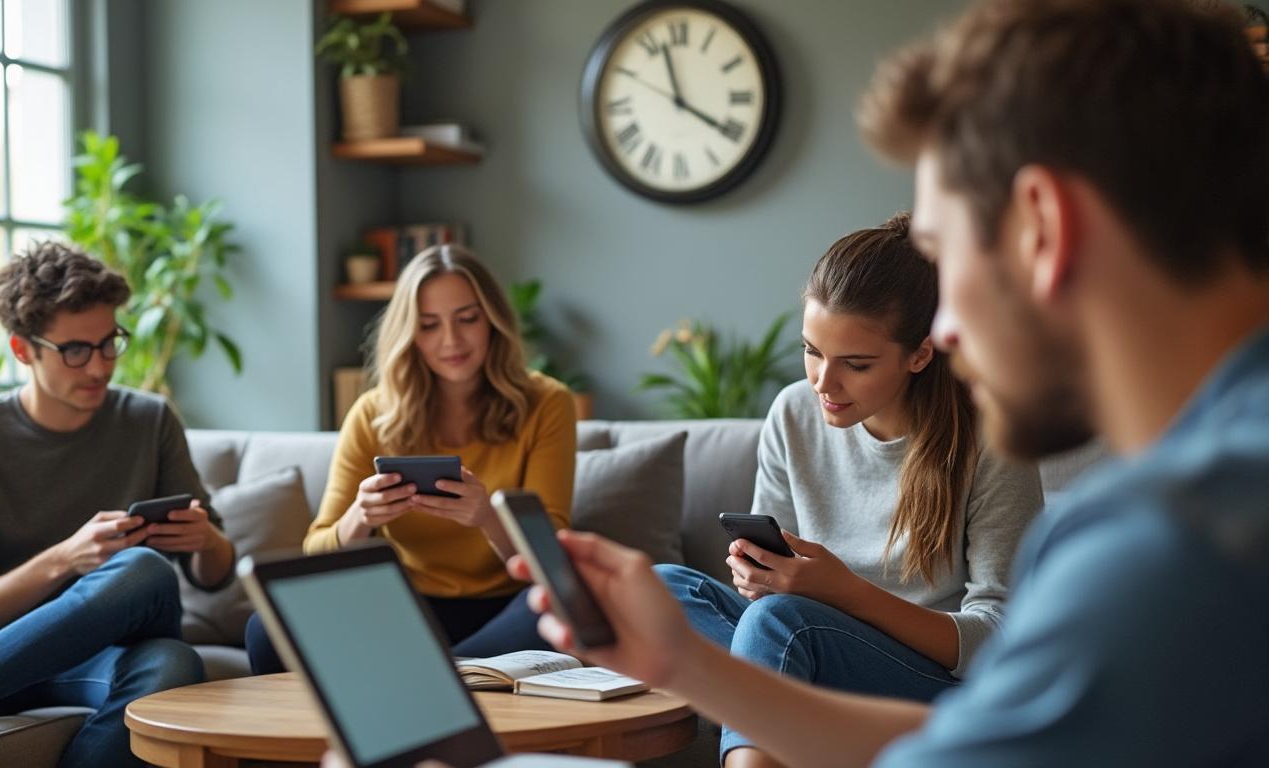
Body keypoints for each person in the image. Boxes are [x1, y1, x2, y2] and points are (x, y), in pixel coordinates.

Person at [511, 0, 1269, 765]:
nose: (944, 333)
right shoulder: (1206, 491)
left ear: (1043, 226)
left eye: (948, 253)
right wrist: (685, 664)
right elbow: (981, 744)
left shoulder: (1174, 542)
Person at [655, 213, 1041, 766]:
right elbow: (772, 584)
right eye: (812, 351)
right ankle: (798, 698)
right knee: (666, 588)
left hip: (934, 684)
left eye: (855, 364)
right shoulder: (793, 412)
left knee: (779, 625)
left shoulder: (990, 438)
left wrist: (845, 593)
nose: (823, 383)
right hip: (806, 642)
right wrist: (757, 574)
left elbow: (999, 641)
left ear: (920, 354)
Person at [0, 243, 236, 768]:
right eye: (75, 350)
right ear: (24, 350)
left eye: (109, 343)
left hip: (105, 652)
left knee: (145, 580)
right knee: (170, 650)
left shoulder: (150, 420)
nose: (99, 366)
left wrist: (206, 541)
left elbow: (215, 575)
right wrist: (65, 559)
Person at [245, 244, 576, 674]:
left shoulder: (547, 402)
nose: (451, 340)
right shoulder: (373, 413)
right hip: (407, 610)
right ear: (409, 332)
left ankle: (434, 676)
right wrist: (360, 517)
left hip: (510, 607)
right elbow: (317, 548)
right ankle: (454, 674)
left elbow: (553, 559)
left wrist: (487, 517)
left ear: (493, 319)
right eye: (429, 325)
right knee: (268, 628)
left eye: (467, 318)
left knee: (554, 611)